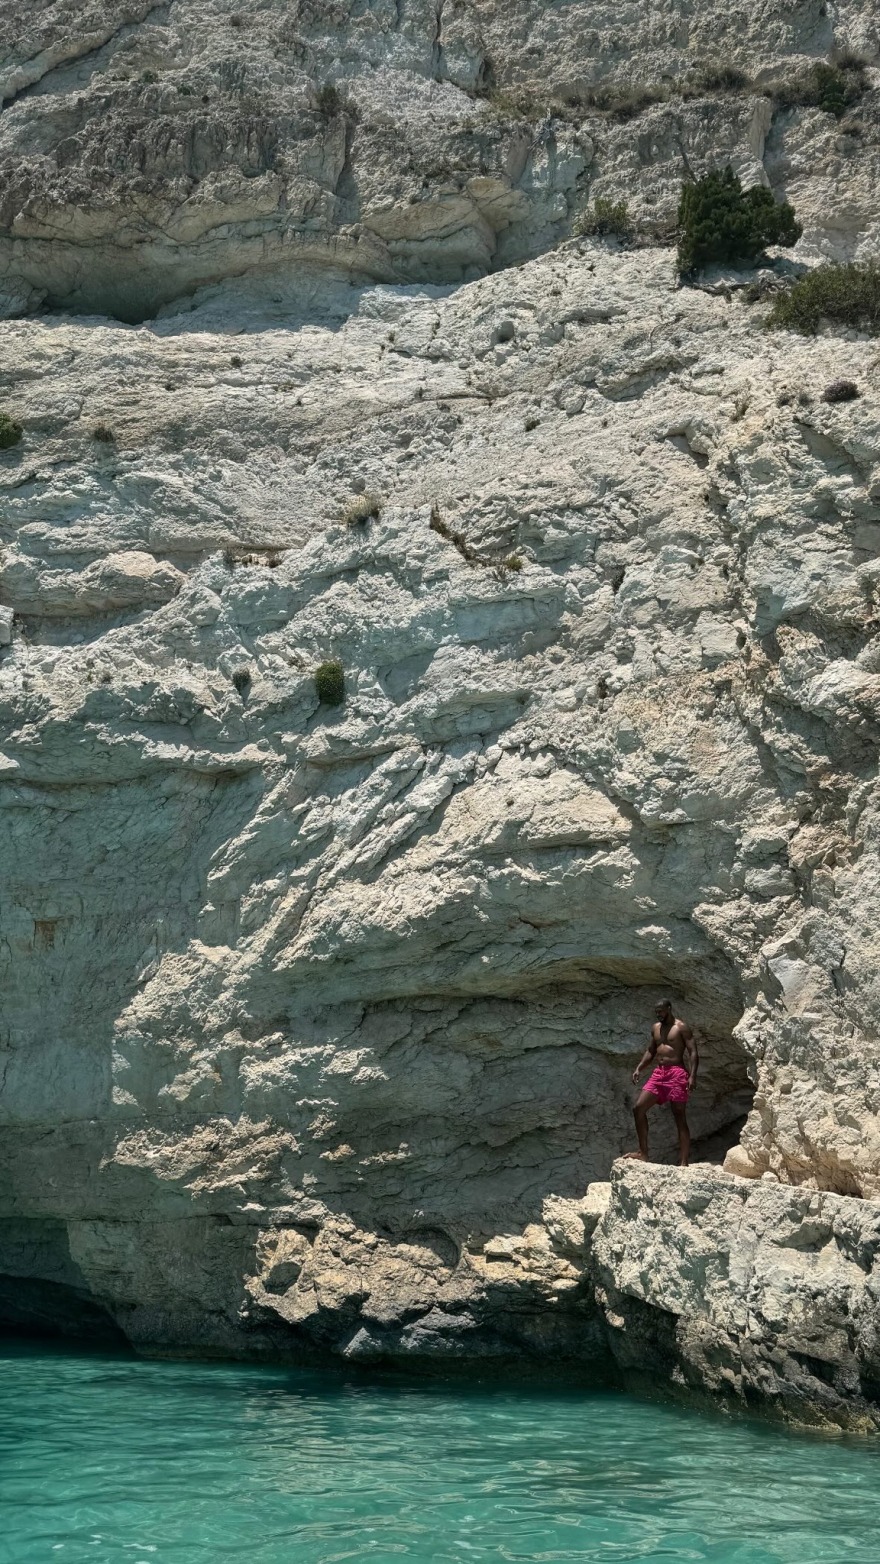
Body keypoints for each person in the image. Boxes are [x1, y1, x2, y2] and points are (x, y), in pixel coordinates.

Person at [625, 1000, 698, 1166]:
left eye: (662, 1011)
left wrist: (692, 1076)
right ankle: (643, 1153)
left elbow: (693, 1052)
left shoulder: (681, 1027)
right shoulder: (656, 1028)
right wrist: (639, 1068)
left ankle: (684, 1162)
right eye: (657, 1012)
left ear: (669, 1009)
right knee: (638, 1109)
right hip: (659, 1073)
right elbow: (651, 1050)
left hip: (677, 1073)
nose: (659, 1014)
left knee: (679, 1115)